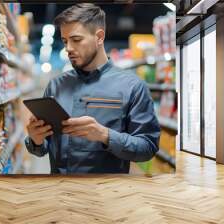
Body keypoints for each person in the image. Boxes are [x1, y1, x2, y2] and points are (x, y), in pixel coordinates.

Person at [24, 3, 160, 174]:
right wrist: (36, 140)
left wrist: (105, 135)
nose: (68, 48)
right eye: (65, 41)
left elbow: (148, 147)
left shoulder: (133, 86)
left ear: (99, 37)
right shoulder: (56, 85)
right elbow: (44, 147)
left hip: (107, 194)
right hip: (60, 192)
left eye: (76, 40)